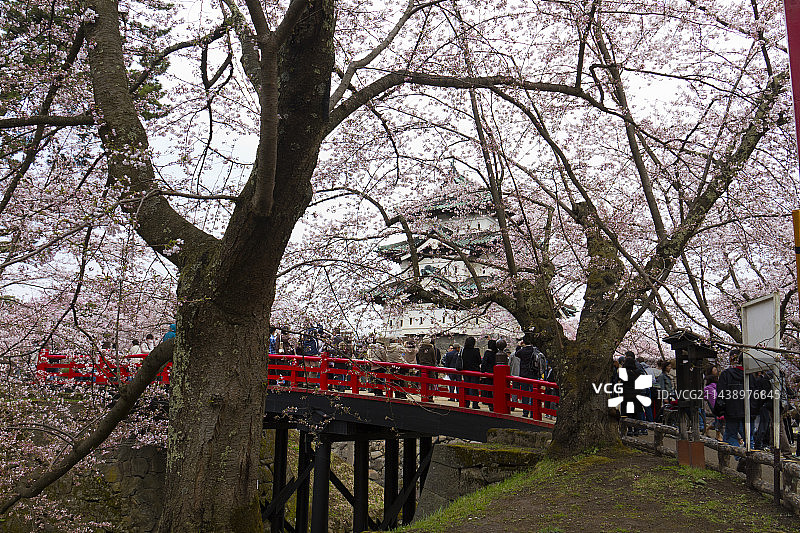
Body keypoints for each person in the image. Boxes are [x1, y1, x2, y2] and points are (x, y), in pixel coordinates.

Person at [714, 349, 754, 469]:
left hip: (732, 411)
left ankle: (741, 457)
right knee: (749, 437)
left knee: (730, 436)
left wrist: (720, 409)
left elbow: (721, 393)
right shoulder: (751, 376)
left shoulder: (727, 374)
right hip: (748, 411)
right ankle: (750, 462)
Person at [515, 332, 543, 417]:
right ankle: (533, 412)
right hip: (533, 374)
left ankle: (525, 412)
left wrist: (519, 345)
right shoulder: (535, 351)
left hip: (524, 375)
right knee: (533, 393)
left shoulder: (522, 351)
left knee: (525, 394)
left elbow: (516, 353)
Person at [461, 336, 482, 409]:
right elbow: (479, 361)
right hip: (474, 371)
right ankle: (475, 404)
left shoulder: (464, 351)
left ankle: (466, 403)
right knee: (474, 388)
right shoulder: (476, 351)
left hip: (466, 371)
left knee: (467, 387)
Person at [480, 339, 497, 408]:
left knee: (489, 389)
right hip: (496, 372)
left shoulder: (487, 353)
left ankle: (490, 404)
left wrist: (482, 372)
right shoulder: (497, 353)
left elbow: (484, 363)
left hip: (489, 373)